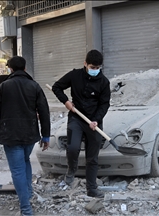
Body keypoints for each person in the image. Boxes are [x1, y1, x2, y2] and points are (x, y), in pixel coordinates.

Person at [0, 56, 50, 216]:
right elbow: (44, 111)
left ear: (10, 69)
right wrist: (46, 136)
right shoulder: (34, 86)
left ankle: (26, 209)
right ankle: (28, 194)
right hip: (30, 134)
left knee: (17, 170)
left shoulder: (4, 86)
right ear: (25, 68)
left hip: (10, 134)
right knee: (25, 161)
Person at [52, 49, 111, 198]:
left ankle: (92, 189)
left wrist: (96, 120)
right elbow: (56, 87)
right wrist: (66, 102)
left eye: (98, 68)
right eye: (92, 67)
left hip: (94, 122)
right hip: (76, 118)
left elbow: (104, 104)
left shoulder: (104, 82)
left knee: (92, 157)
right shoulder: (75, 75)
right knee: (72, 148)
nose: (95, 71)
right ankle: (71, 170)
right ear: (85, 64)